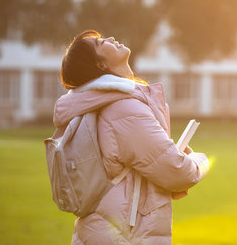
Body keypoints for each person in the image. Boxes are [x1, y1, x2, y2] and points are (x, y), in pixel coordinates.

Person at [54, 30, 209, 244]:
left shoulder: (105, 104)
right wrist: (201, 161)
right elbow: (177, 171)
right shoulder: (124, 109)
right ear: (100, 65)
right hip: (125, 236)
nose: (109, 38)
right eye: (100, 43)